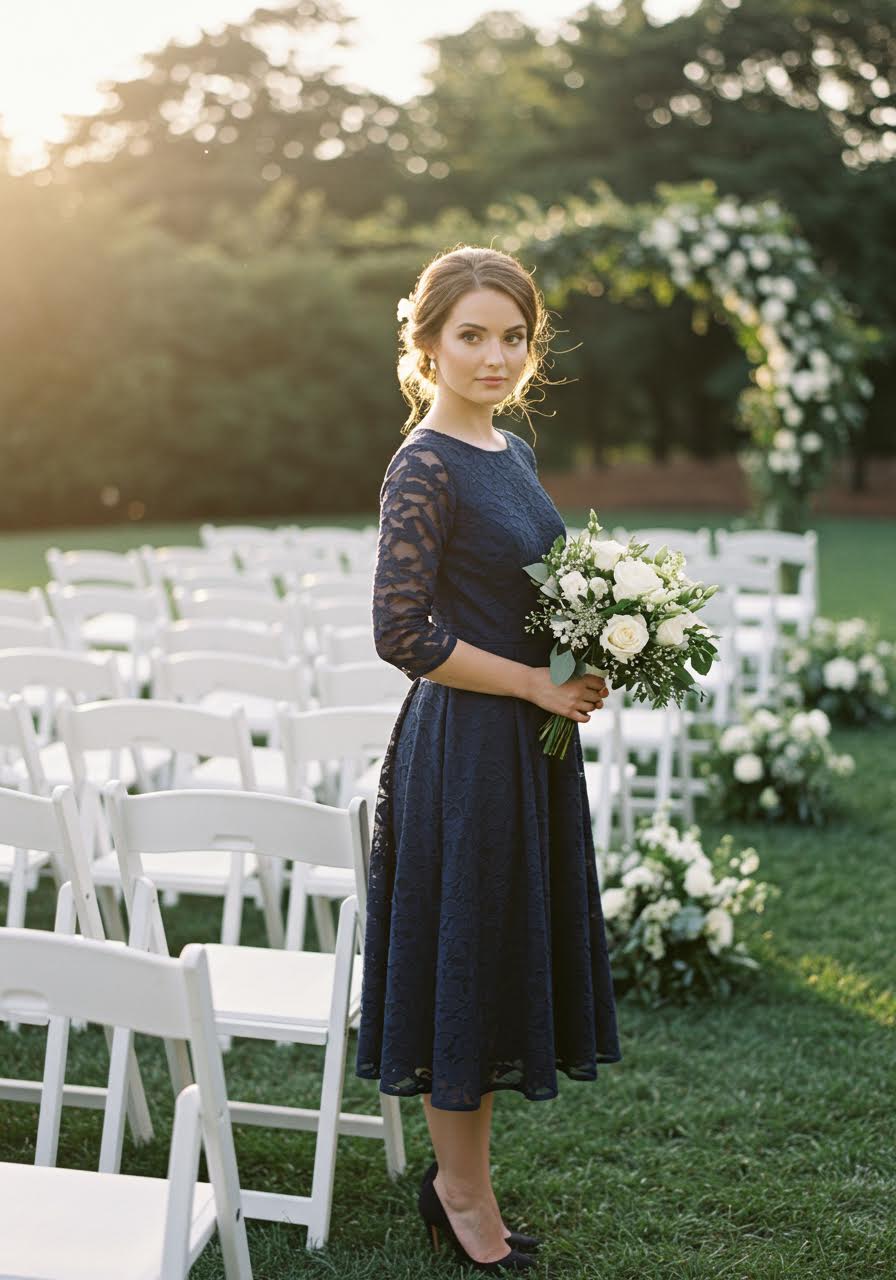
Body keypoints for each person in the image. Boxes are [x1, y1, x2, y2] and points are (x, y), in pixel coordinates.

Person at [355, 244, 622, 1272]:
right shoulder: (421, 464)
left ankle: (463, 1180)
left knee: (502, 949)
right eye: (470, 335)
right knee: (458, 964)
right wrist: (529, 684)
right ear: (426, 344)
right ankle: (461, 1194)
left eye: (511, 336)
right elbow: (400, 632)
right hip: (463, 750)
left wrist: (586, 653)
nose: (493, 355)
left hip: (528, 746)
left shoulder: (508, 452)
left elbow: (528, 596)